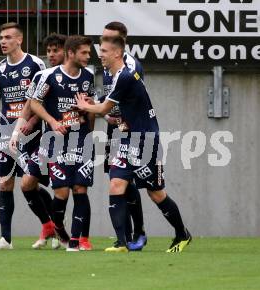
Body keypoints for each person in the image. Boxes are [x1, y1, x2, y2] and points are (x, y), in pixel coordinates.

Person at [74, 35, 191, 253]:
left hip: (146, 140)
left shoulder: (125, 76)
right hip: (127, 140)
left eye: (105, 51)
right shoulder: (117, 75)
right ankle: (123, 243)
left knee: (156, 193)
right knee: (116, 185)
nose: (100, 55)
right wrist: (99, 107)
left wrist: (85, 105)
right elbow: (112, 113)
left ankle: (182, 234)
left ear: (117, 53)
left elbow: (103, 110)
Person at [0, 22, 49, 250]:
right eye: (1, 37)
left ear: (19, 39)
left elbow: (40, 101)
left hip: (30, 135)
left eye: (7, 37)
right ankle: (5, 239)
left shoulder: (35, 64)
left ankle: (51, 223)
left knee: (29, 184)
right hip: (5, 136)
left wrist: (34, 122)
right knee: (5, 184)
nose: (3, 41)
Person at [29, 35, 96, 251]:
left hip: (81, 140)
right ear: (71, 53)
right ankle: (57, 225)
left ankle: (75, 242)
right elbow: (35, 103)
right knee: (62, 193)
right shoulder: (49, 76)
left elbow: (90, 107)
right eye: (84, 52)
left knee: (80, 189)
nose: (88, 56)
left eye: (89, 52)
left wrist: (89, 115)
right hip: (56, 142)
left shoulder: (88, 76)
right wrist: (52, 121)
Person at [11, 33, 71, 249]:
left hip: (72, 143)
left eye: (56, 50)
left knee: (67, 191)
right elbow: (31, 104)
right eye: (49, 51)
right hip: (48, 143)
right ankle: (50, 225)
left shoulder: (78, 76)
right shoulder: (43, 76)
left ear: (68, 52)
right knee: (27, 184)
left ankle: (65, 233)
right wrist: (17, 131)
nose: (51, 54)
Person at [100, 21, 147, 251]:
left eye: (110, 39)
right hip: (115, 129)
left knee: (127, 181)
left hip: (132, 131)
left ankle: (137, 232)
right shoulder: (107, 65)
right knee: (118, 181)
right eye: (104, 38)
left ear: (121, 42)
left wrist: (101, 110)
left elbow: (133, 99)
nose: (105, 43)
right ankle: (126, 237)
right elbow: (110, 98)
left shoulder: (130, 66)